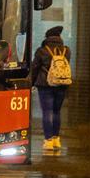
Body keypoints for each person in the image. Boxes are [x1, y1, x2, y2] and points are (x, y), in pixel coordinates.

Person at [28, 25, 73, 154]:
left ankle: (48, 141)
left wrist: (31, 83)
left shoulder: (42, 51)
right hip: (61, 84)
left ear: (47, 37)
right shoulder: (66, 50)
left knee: (47, 112)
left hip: (45, 85)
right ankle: (56, 139)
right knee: (56, 112)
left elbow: (35, 68)